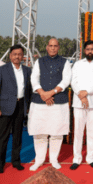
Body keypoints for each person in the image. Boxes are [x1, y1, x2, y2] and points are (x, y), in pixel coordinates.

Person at [29, 38, 72, 170]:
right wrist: (43, 93)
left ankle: (54, 159)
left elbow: (66, 81)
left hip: (58, 102)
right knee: (39, 132)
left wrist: (51, 93)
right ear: (47, 47)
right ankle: (39, 160)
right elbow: (34, 78)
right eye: (50, 46)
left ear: (59, 47)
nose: (53, 48)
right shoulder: (39, 61)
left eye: (55, 46)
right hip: (40, 101)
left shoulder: (65, 62)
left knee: (57, 132)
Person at [0, 45, 32, 174]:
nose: (17, 56)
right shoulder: (2, 69)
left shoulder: (27, 70)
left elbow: (29, 90)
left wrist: (28, 106)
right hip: (5, 108)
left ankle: (16, 161)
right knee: (3, 137)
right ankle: (0, 164)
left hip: (21, 106)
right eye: (14, 54)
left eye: (20, 54)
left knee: (18, 136)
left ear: (23, 56)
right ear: (10, 55)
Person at [70, 41, 93, 170]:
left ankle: (91, 158)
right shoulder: (78, 64)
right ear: (84, 51)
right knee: (78, 132)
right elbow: (73, 81)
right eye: (87, 49)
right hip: (79, 102)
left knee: (91, 132)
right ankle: (77, 159)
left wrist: (87, 92)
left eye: (92, 49)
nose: (90, 51)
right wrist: (81, 95)